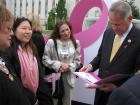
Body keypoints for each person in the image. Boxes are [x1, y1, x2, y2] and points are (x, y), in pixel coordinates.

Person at [80, 1, 140, 105]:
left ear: (129, 19)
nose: (114, 28)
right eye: (111, 23)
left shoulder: (138, 38)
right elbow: (100, 56)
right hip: (101, 92)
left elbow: (137, 74)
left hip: (123, 97)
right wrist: (90, 66)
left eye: (117, 24)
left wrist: (117, 88)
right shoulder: (108, 33)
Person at [8, 17, 53, 105]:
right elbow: (14, 84)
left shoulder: (32, 49)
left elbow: (39, 77)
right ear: (14, 30)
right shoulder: (9, 52)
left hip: (38, 96)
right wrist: (32, 99)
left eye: (29, 29)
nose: (28, 31)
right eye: (24, 28)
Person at [42, 21, 81, 105]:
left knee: (67, 102)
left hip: (69, 79)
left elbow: (77, 61)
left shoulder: (76, 43)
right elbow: (45, 59)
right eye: (62, 31)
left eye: (67, 29)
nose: (66, 32)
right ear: (58, 32)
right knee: (54, 101)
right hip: (54, 79)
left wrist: (69, 66)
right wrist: (59, 65)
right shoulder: (51, 42)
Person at [0, 4, 31, 105]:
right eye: (8, 28)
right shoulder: (9, 53)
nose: (12, 33)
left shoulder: (3, 56)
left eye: (29, 28)